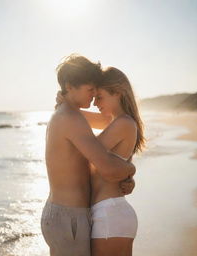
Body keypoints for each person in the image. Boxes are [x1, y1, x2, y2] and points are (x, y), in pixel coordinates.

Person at [41, 55, 136, 256]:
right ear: (70, 86)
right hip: (69, 217)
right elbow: (108, 167)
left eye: (97, 92)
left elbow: (107, 120)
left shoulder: (70, 115)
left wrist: (64, 100)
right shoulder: (70, 117)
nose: (93, 98)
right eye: (90, 90)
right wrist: (130, 170)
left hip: (70, 215)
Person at [79, 66, 145, 256]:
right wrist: (64, 102)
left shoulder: (123, 123)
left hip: (109, 214)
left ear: (117, 93)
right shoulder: (118, 122)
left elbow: (89, 152)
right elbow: (76, 116)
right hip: (112, 213)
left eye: (99, 97)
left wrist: (130, 171)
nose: (95, 103)